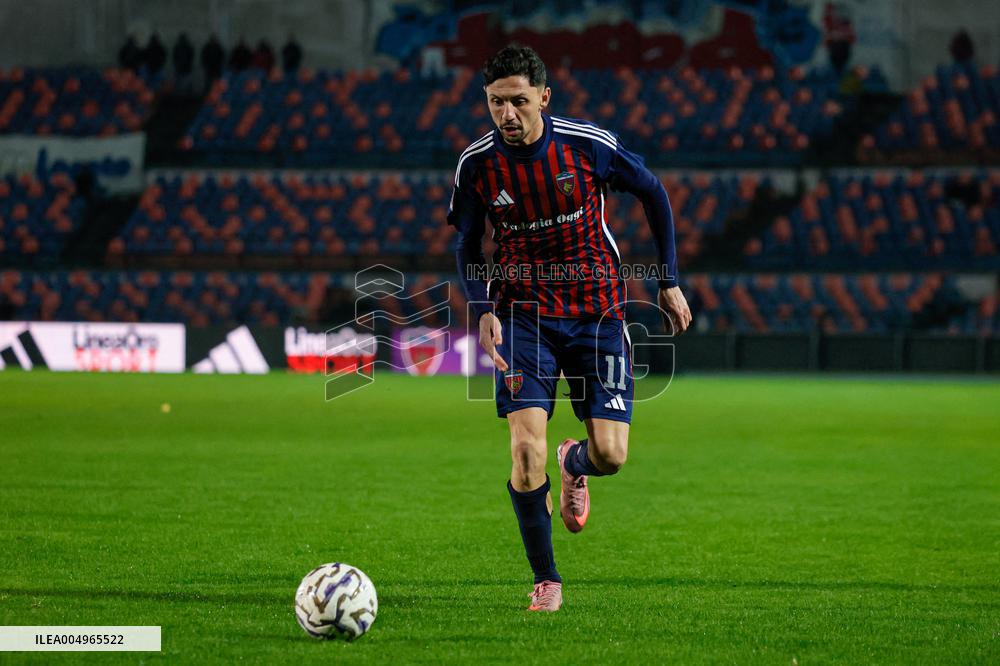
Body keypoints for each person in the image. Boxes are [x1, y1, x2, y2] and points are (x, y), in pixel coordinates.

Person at [447, 45, 691, 612]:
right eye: (495, 103)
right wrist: (482, 306)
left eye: (518, 102)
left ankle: (574, 462)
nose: (507, 115)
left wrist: (668, 279)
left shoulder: (587, 145)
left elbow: (653, 192)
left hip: (598, 315)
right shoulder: (477, 165)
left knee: (612, 456)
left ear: (543, 98)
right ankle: (547, 579)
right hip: (522, 317)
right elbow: (465, 240)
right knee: (523, 449)